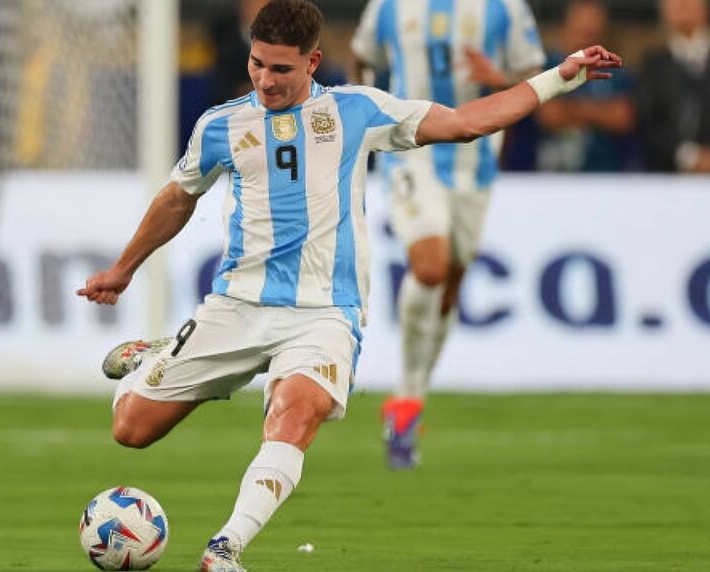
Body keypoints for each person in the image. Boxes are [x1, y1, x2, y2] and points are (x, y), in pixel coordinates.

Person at [77, 1, 620, 569]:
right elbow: (177, 197)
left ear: (313, 62)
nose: (265, 79)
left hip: (323, 313)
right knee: (130, 430)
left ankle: (224, 548)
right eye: (258, 64)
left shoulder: (357, 112)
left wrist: (559, 78)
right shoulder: (220, 125)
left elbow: (466, 124)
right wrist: (123, 269)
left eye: (281, 69)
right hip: (237, 304)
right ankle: (161, 355)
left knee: (294, 413)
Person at [349, 0, 545, 469]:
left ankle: (408, 403)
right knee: (430, 267)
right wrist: (360, 116)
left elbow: (534, 76)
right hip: (410, 149)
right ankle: (407, 402)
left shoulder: (504, 7)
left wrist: (496, 78)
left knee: (452, 279)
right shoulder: (389, 6)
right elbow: (361, 55)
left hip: (475, 158)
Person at [636, 0, 710, 173]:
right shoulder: (653, 65)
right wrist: (685, 156)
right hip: (664, 176)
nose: (683, 5)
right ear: (663, 12)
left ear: (705, 8)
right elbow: (646, 120)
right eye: (674, 3)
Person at [534, 0, 637, 172]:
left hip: (603, 173)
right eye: (581, 31)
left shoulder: (615, 70)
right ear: (566, 27)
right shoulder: (546, 67)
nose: (585, 39)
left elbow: (623, 117)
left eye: (592, 33)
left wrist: (572, 110)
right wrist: (599, 111)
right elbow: (549, 115)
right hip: (551, 175)